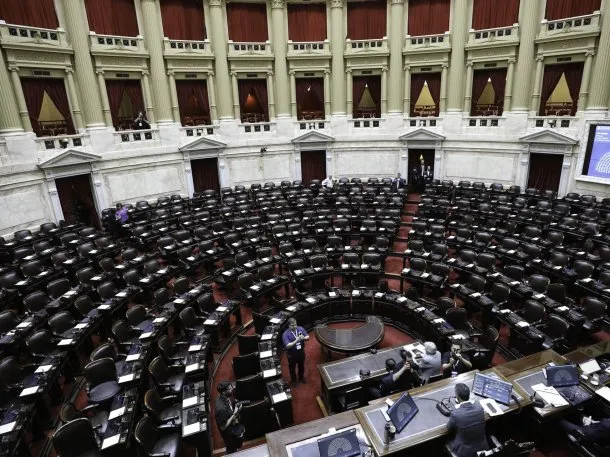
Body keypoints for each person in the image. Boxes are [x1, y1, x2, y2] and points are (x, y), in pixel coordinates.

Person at [446, 383, 489, 457]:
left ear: (457, 397)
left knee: (445, 441)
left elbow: (448, 428)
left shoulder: (456, 414)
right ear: (469, 395)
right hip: (483, 447)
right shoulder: (479, 408)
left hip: (465, 452)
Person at [214, 381, 245, 453]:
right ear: (224, 392)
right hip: (229, 433)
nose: (232, 390)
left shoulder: (223, 396)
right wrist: (234, 414)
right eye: (230, 389)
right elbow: (223, 427)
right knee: (231, 448)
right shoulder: (221, 409)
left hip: (232, 424)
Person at [282, 318, 309, 386]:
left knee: (301, 366)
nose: (294, 326)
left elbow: (307, 337)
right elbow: (287, 346)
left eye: (295, 324)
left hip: (301, 352)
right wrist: (296, 341)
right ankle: (294, 381)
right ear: (288, 326)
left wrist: (304, 338)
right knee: (292, 368)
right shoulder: (285, 334)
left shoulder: (300, 329)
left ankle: (301, 377)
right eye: (292, 325)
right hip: (291, 355)